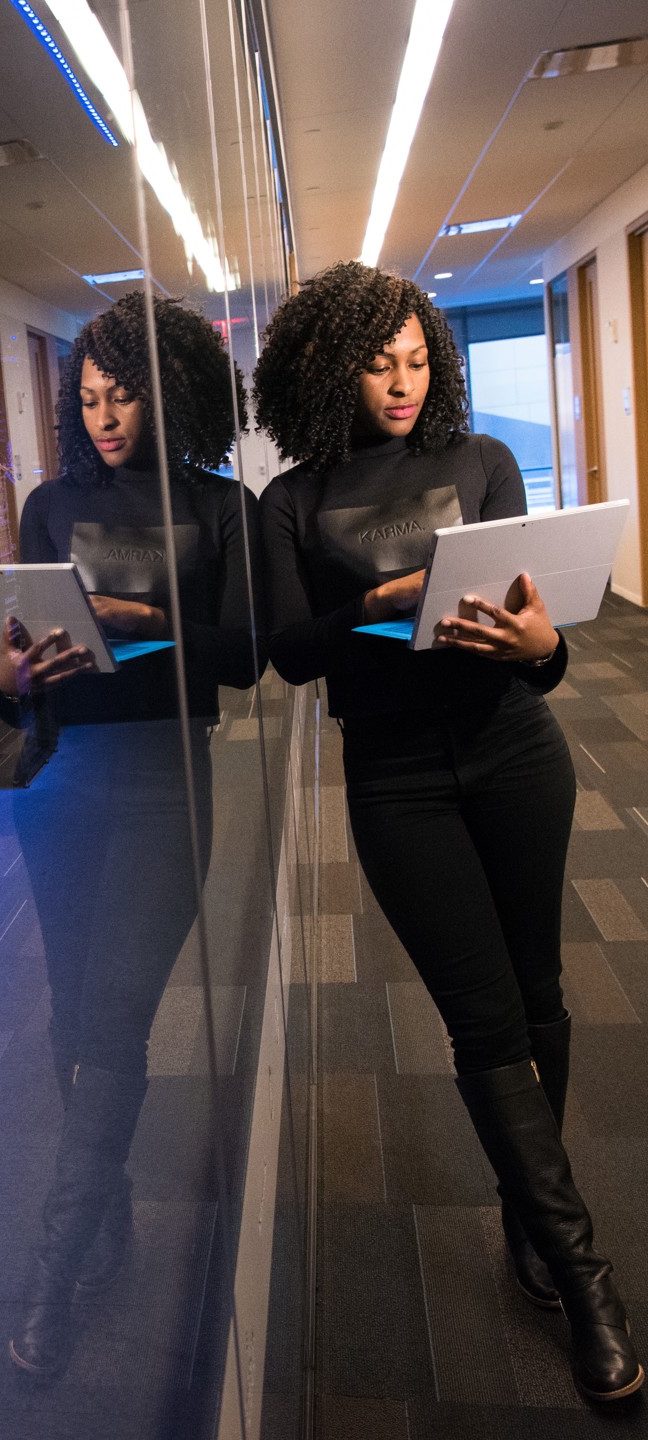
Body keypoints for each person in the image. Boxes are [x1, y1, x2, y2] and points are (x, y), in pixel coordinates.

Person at [253, 260, 642, 1404]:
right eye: (380, 364)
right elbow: (288, 650)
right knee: (482, 1023)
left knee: (541, 994)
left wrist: (545, 649)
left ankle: (530, 1215)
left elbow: (541, 635)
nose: (404, 383)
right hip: (397, 779)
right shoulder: (293, 502)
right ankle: (586, 1282)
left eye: (420, 360)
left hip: (516, 750)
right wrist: (370, 607)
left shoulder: (484, 463)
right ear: (332, 368)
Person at [0, 291, 262, 1376]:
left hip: (165, 788)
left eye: (125, 395)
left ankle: (53, 1272)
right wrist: (10, 679)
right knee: (70, 1017)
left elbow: (246, 658)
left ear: (169, 390)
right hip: (64, 782)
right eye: (90, 398)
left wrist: (151, 622)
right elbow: (14, 684)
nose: (105, 417)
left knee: (113, 1019)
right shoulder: (49, 504)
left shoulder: (217, 506)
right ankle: (109, 1219)